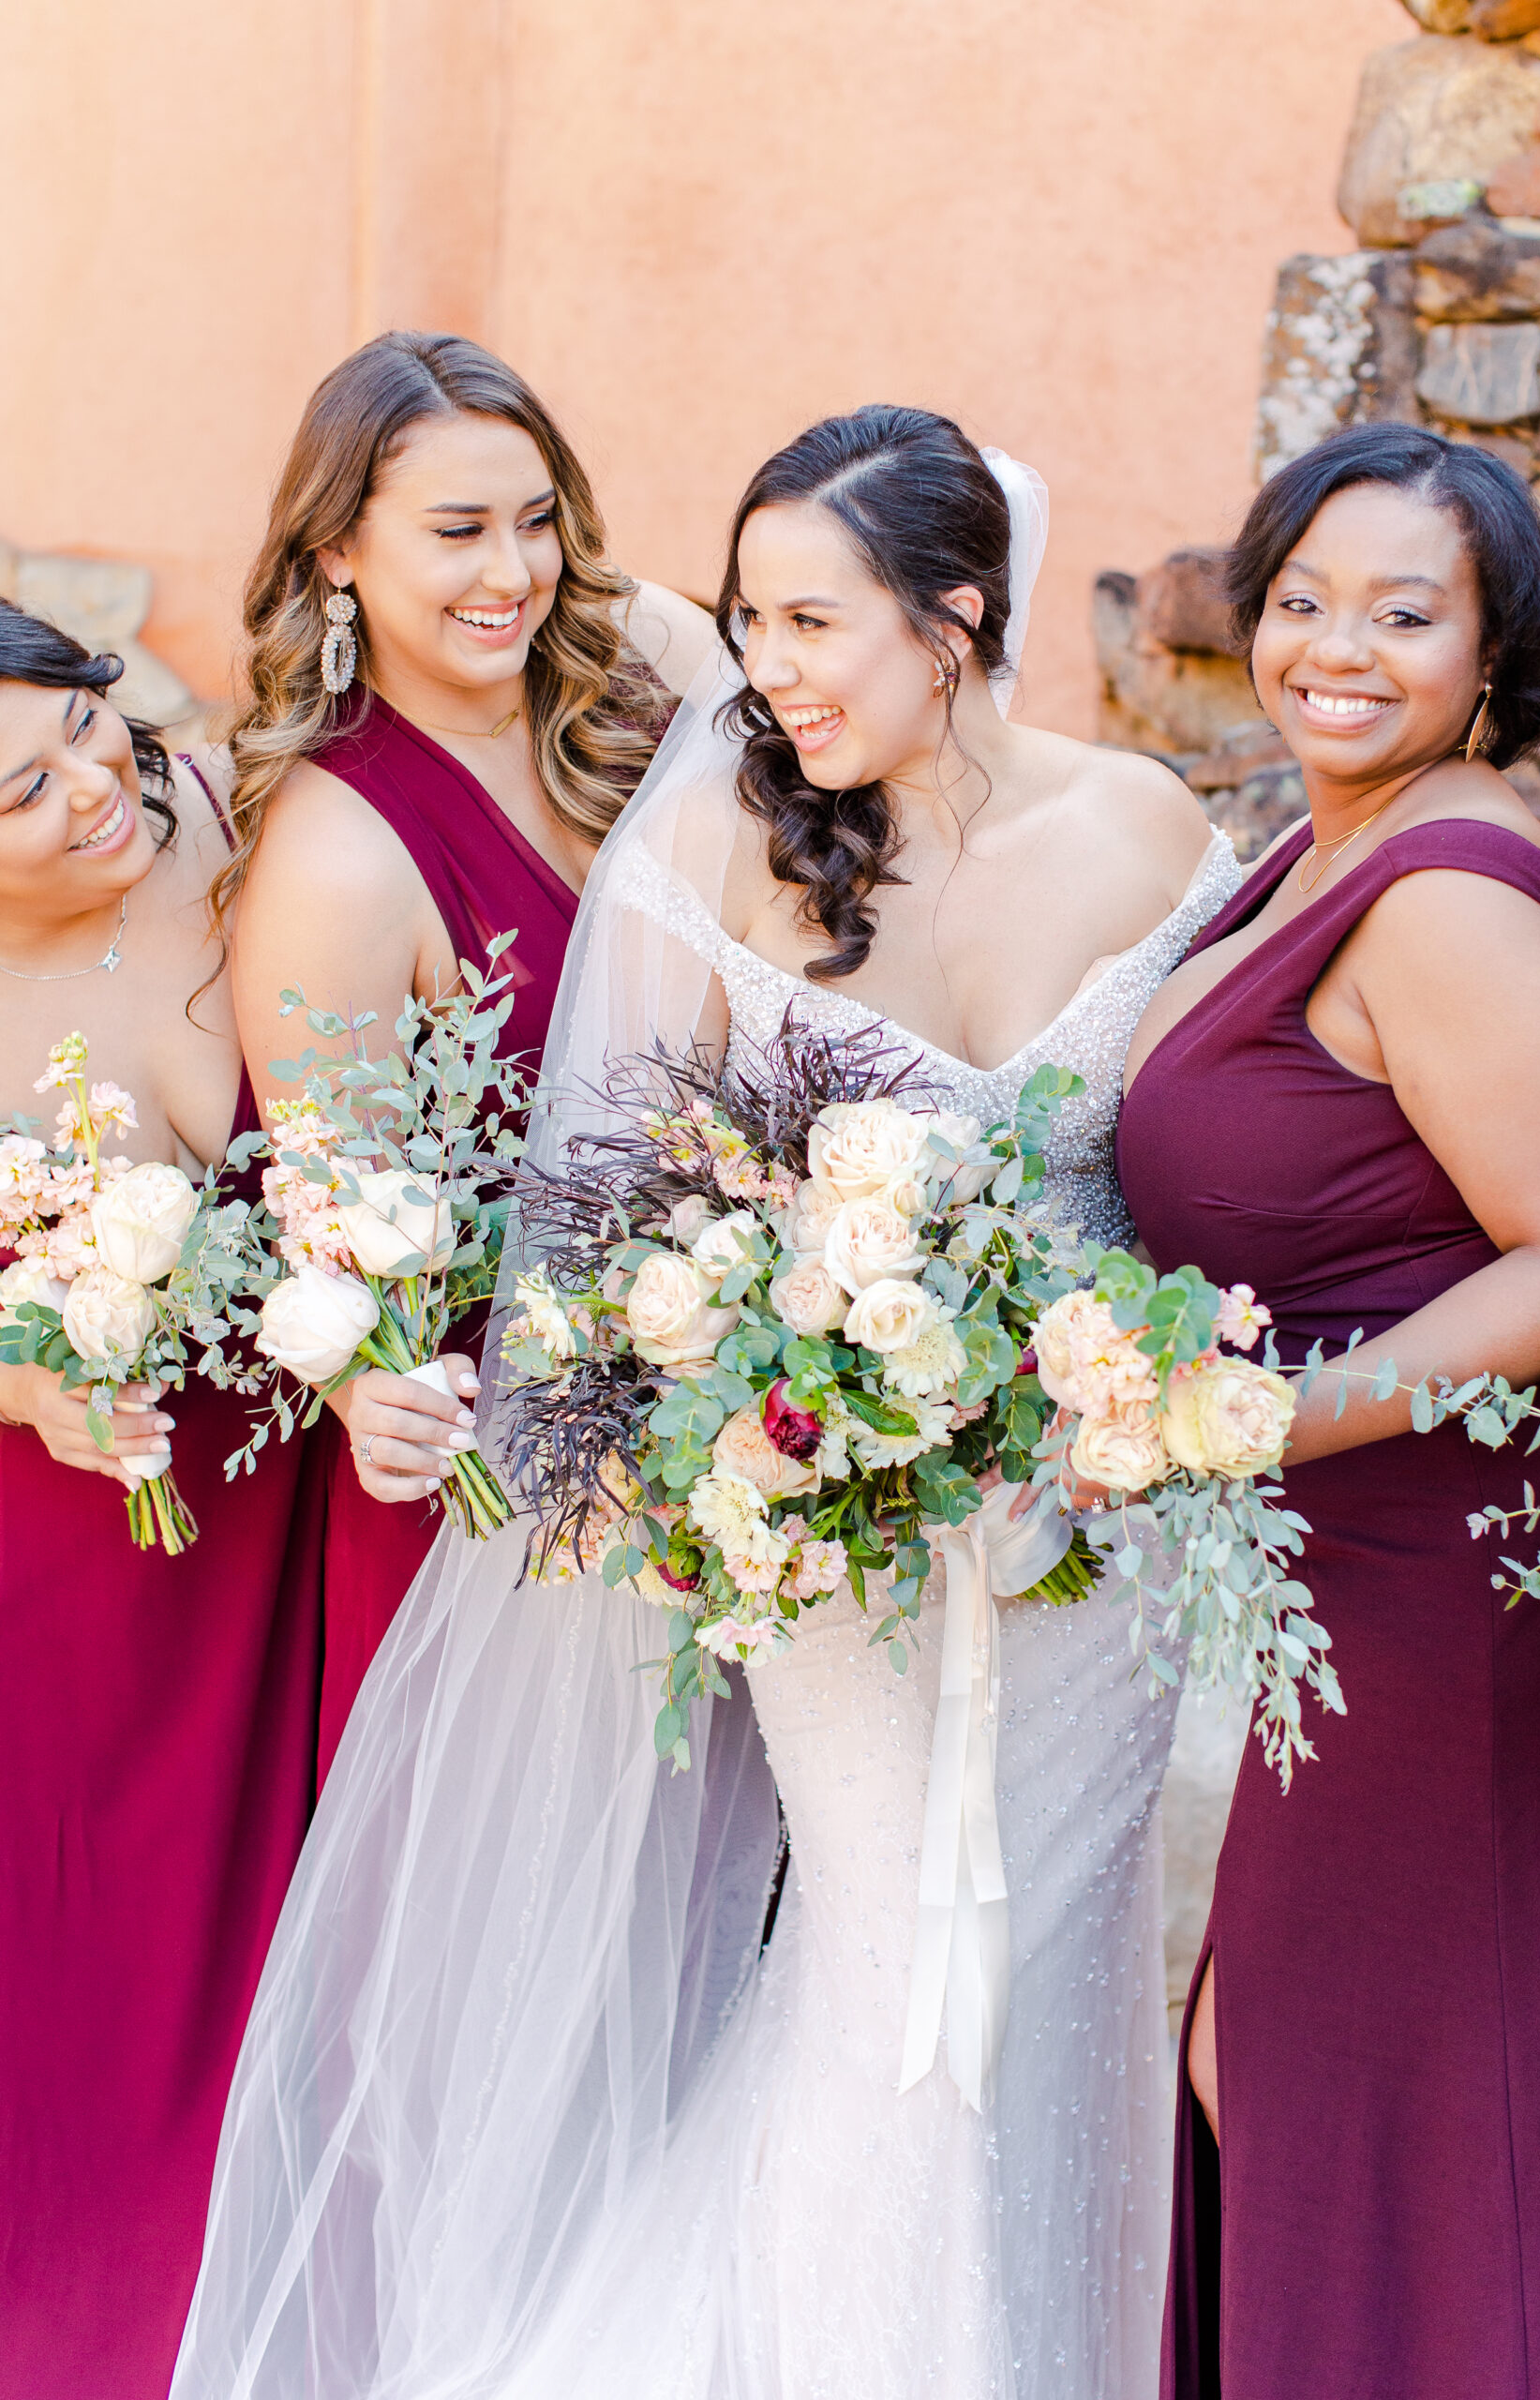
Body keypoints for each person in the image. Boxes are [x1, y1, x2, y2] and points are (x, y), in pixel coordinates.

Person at [173, 405, 1237, 2400]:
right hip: (822, 1537)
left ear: (957, 615)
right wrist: (710, 1424)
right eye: (744, 617)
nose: (766, 669)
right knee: (883, 1998)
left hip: (1096, 1554)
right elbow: (601, 1235)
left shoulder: (1154, 830)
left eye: (815, 620)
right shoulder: (723, 842)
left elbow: (1219, 1158)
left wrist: (1150, 1376)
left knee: (1058, 1991)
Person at [1117, 423, 1540, 2400]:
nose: (1334, 645)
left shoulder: (1447, 890)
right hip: (1333, 1587)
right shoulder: (1309, 851)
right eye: (1301, 597)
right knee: (1295, 2078)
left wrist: (1253, 1425)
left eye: (1403, 611)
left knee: (1379, 2110)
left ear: (1491, 650)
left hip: (1435, 1597)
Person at [220, 331, 713, 1780]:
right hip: (492, 1492)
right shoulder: (340, 851)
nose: (514, 571)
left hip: (715, 1421)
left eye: (537, 519)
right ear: (335, 554)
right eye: (458, 532)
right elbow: (335, 1219)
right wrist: (370, 1382)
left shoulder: (632, 691)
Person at [0, 605, 322, 2400]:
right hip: (63, 1581)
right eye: (21, 793)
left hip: (307, 1530)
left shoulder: (237, 814)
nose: (93, 788)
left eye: (86, 728)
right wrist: (23, 1377)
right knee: (81, 2009)